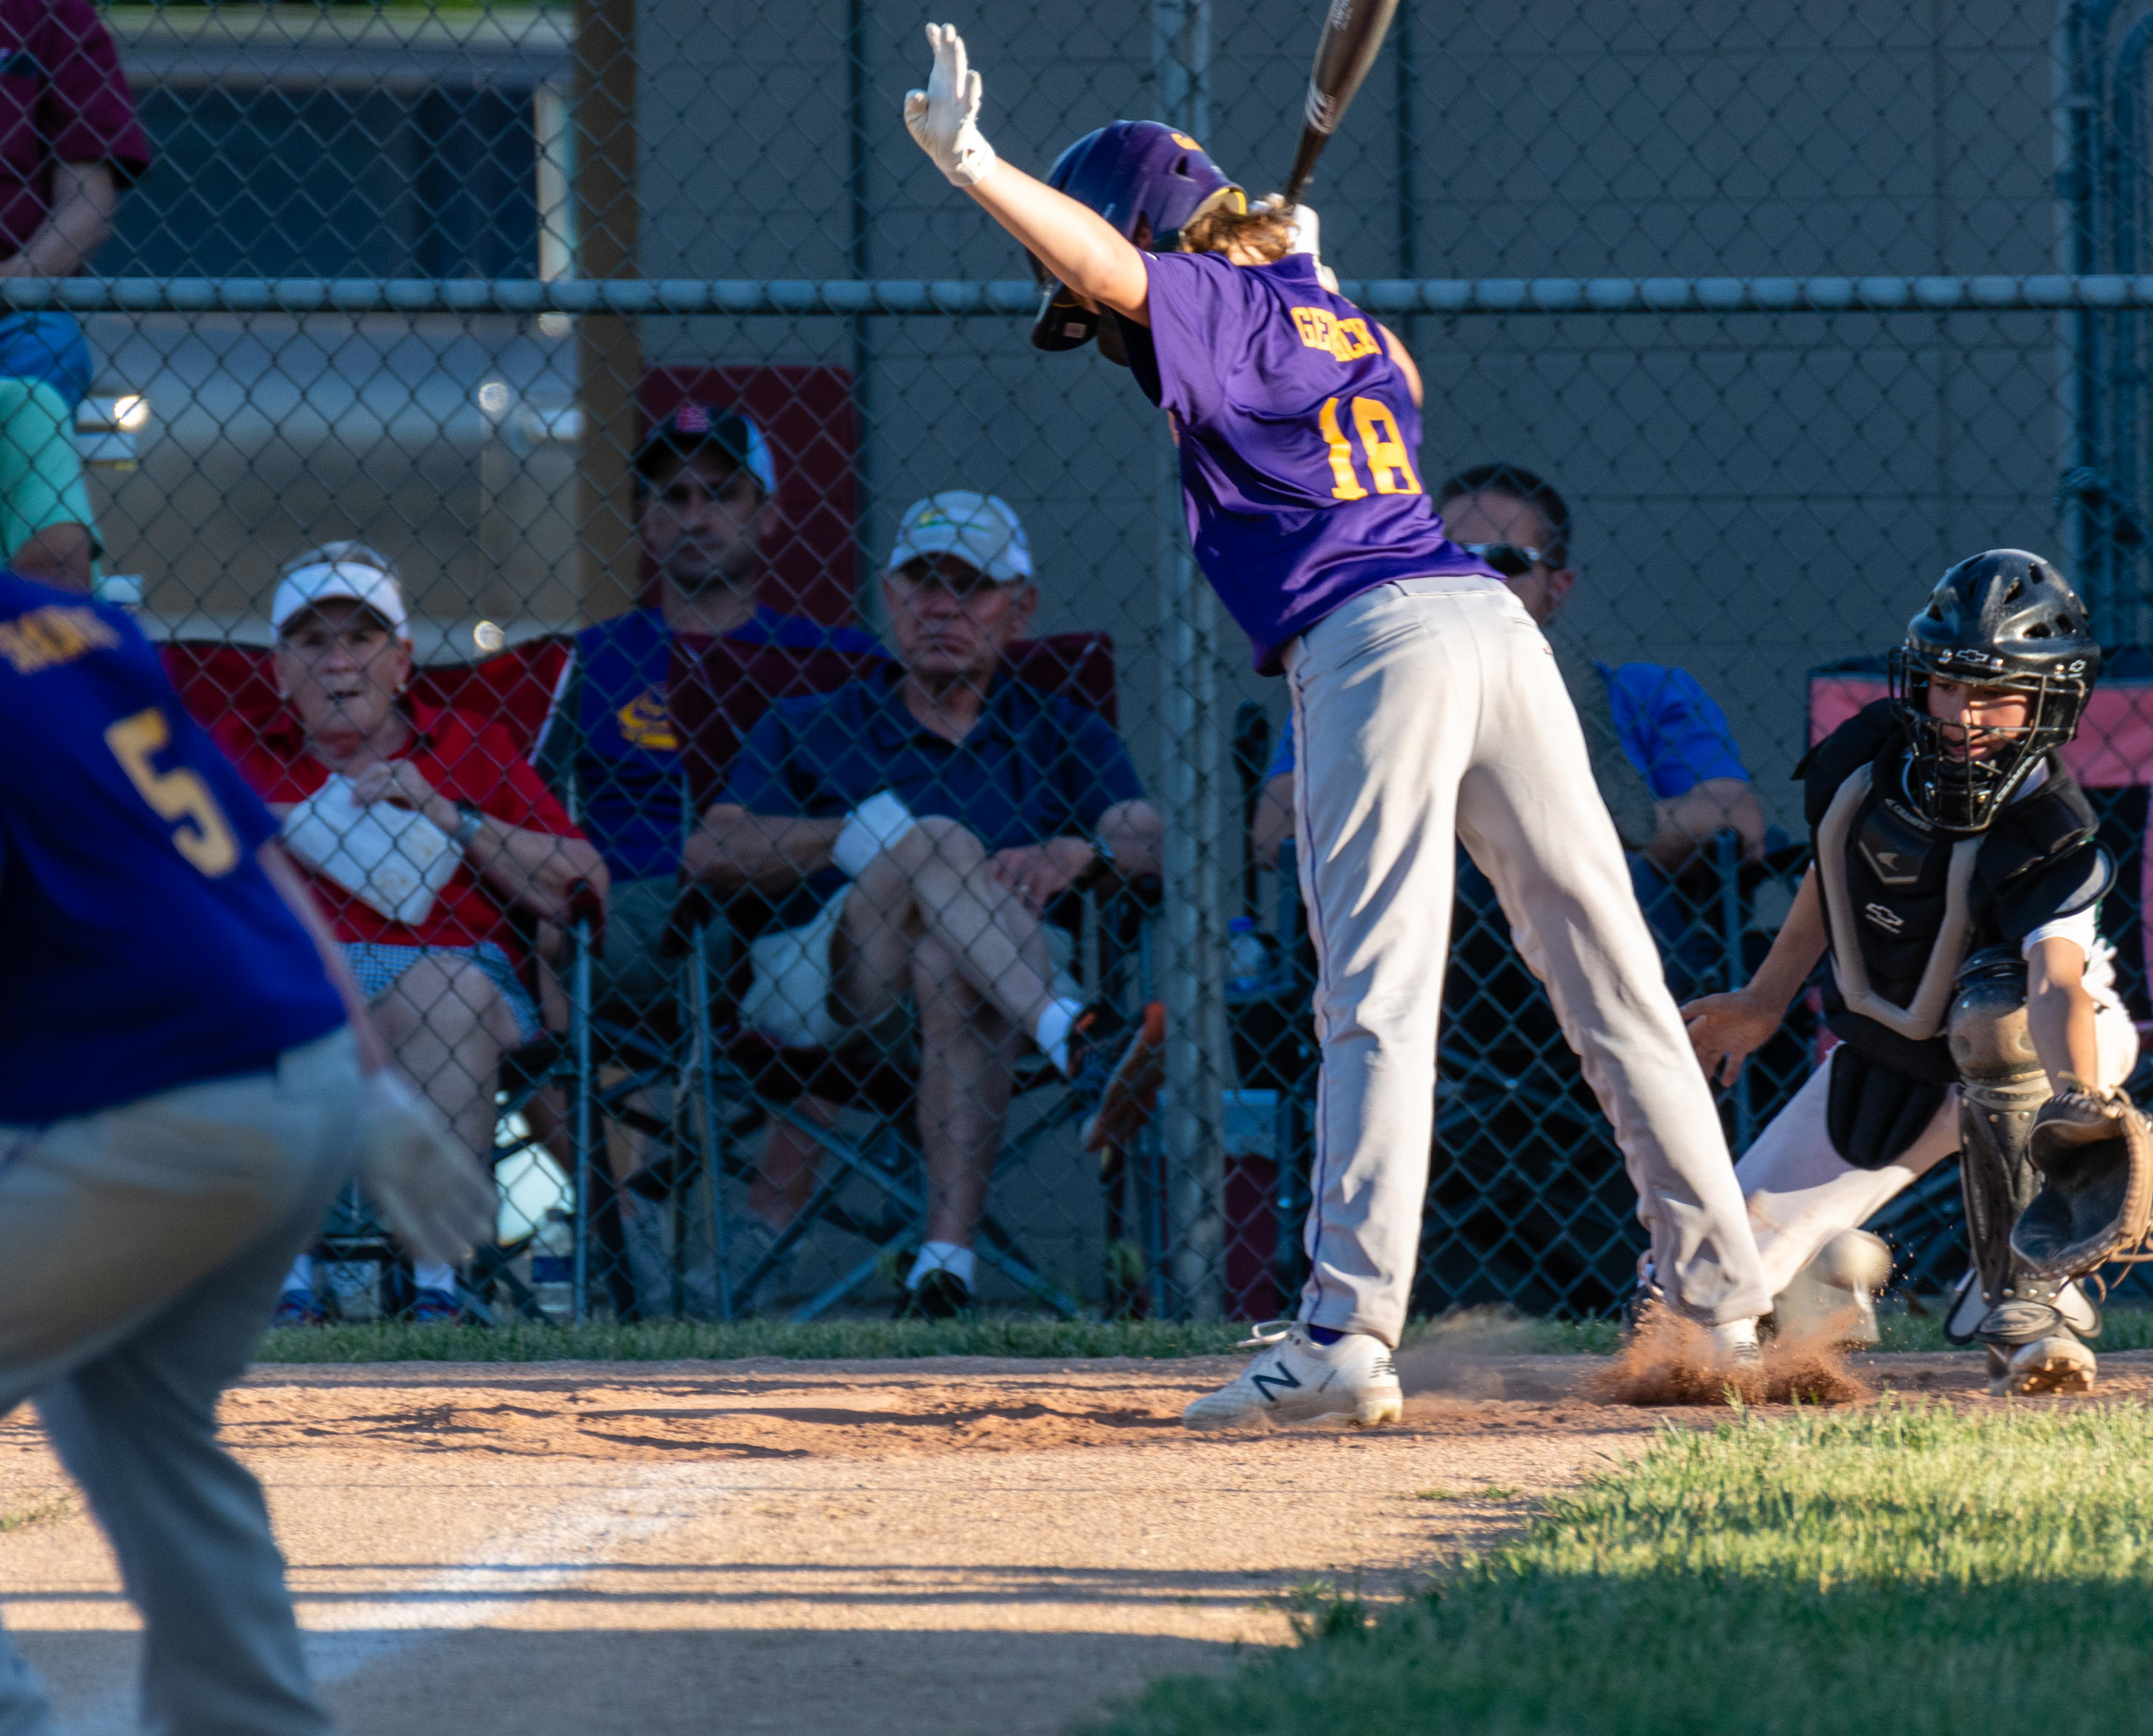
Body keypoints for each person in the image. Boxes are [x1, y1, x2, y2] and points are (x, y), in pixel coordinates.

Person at [900, 26, 1770, 1427]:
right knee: (1610, 979)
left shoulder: (1203, 297)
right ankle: (1721, 1303)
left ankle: (1343, 1333)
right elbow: (1393, 390)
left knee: (1373, 995)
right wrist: (1311, 274)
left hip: (1374, 643)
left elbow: (1116, 269)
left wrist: (977, 167)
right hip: (1492, 633)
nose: (1099, 328)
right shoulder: (1322, 316)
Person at [0, 570, 488, 1735]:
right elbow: (252, 864)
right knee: (137, 1418)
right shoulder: (72, 625)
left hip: (167, 1104)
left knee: (138, 1418)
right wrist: (371, 1087)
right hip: (302, 1075)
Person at [687, 490, 1164, 1321]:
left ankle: (944, 1263)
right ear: (888, 595)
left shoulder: (1061, 729)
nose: (940, 607)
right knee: (936, 837)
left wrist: (1080, 851)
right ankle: (1070, 1033)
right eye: (920, 583)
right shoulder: (812, 720)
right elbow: (712, 850)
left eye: (969, 586)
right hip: (838, 986)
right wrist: (861, 838)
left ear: (1021, 608)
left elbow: (1148, 837)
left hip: (984, 985)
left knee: (949, 957)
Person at [1684, 551, 2149, 1397]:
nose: (1965, 714)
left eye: (1996, 694)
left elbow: (2055, 983)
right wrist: (1763, 999)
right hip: (1892, 1049)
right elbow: (1832, 876)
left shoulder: (2051, 828)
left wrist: (2080, 1099)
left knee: (2000, 1018)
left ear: (2050, 700)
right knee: (1694, 1306)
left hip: (2048, 1035)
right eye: (1948, 686)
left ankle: (2028, 1297)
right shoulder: (1871, 761)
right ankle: (1819, 1281)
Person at [213, 550, 603, 1322]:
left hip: (450, 977)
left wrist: (450, 816)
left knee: (443, 990)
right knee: (277, 978)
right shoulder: (233, 750)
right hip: (290, 977)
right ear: (280, 670)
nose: (338, 662)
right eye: (312, 642)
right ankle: (289, 1284)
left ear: (401, 661)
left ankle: (436, 1287)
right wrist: (262, 827)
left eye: (361, 639)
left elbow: (582, 884)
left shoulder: (470, 744)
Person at [541, 403, 880, 1032]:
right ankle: (573, 1106)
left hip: (787, 919)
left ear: (768, 512)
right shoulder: (583, 662)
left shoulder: (836, 663)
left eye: (720, 494)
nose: (695, 517)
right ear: (644, 518)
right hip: (624, 928)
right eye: (673, 496)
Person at [1249, 463, 1759, 877]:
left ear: (1557, 588)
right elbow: (1274, 829)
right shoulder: (1351, 689)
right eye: (1448, 555)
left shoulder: (1648, 693)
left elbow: (1736, 818)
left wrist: (1557, 823)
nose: (1472, 577)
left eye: (1505, 561)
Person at [0, 0, 150, 591]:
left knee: (46, 348)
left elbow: (89, 200)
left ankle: (40, 615)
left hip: (11, 311)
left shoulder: (52, 15)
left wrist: (15, 280)